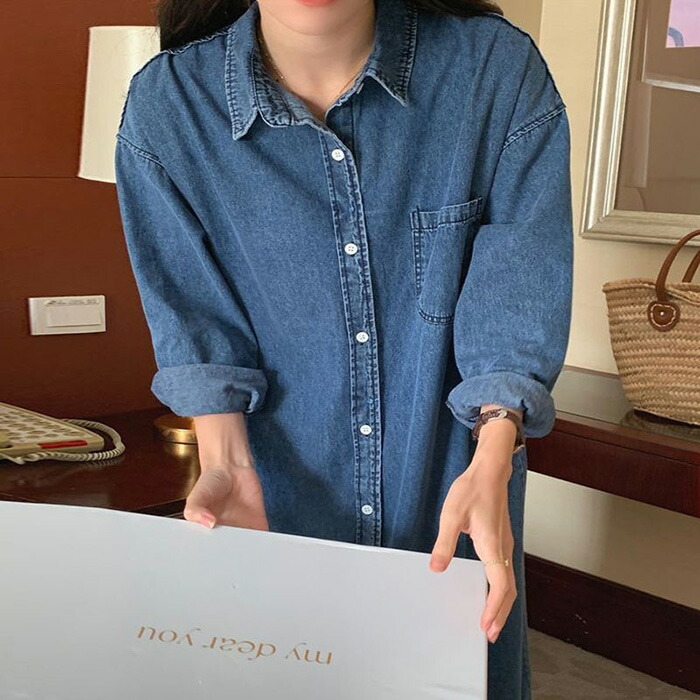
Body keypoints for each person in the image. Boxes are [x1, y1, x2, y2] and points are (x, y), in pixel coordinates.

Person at [113, 0, 573, 696]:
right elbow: (195, 315)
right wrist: (225, 463)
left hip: (448, 498)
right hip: (275, 500)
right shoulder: (167, 106)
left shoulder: (493, 72)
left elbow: (515, 290)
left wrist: (494, 450)